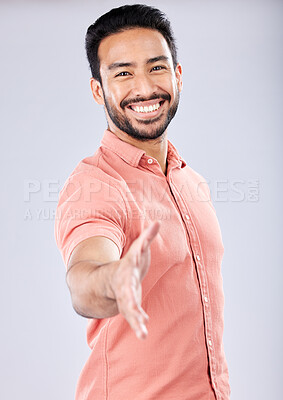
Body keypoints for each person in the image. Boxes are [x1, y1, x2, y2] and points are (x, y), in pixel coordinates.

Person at [54, 4, 231, 400]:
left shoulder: (190, 180)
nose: (145, 87)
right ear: (98, 90)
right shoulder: (96, 185)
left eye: (156, 67)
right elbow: (85, 275)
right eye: (123, 73)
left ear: (178, 76)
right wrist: (112, 281)